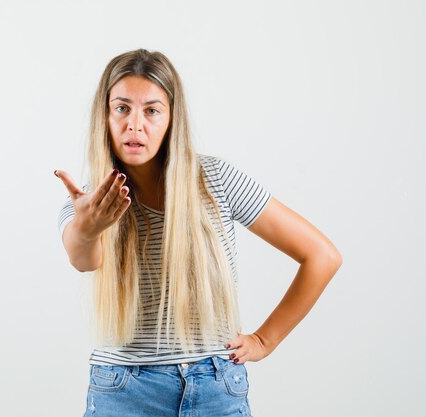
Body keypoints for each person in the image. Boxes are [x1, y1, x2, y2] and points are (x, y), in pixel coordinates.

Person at [54, 48, 342, 417]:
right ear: (105, 117)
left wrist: (264, 340)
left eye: (152, 110)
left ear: (173, 119)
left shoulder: (215, 180)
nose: (135, 125)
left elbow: (322, 256)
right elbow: (82, 258)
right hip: (125, 391)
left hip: (217, 388)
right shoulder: (88, 202)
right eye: (122, 108)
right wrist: (89, 228)